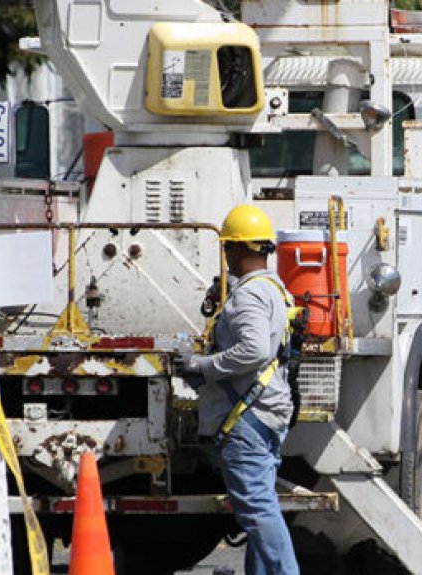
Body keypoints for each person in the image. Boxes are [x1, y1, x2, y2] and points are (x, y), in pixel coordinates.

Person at [177, 204, 299, 575]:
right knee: (261, 512)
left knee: (259, 512)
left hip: (245, 419)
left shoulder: (248, 296)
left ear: (238, 249)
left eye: (228, 247)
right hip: (262, 414)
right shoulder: (274, 290)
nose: (226, 255)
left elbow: (255, 350)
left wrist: (202, 366)